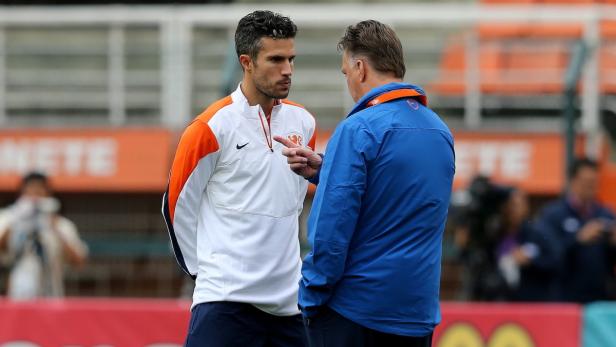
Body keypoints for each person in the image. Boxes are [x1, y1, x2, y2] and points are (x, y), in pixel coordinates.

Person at [276, 20, 454, 347]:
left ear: (359, 68)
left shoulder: (359, 129)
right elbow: (397, 195)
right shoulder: (439, 131)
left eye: (345, 73)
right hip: (417, 313)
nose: (348, 82)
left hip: (355, 313)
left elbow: (332, 227)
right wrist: (329, 171)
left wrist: (311, 295)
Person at [162, 10, 315, 347]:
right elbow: (176, 207)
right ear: (246, 62)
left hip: (289, 308)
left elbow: (294, 204)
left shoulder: (304, 122)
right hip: (224, 303)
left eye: (291, 58)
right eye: (276, 59)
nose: (287, 69)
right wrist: (206, 273)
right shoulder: (209, 127)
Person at [537, 157, 616, 303]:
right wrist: (578, 239)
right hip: (564, 300)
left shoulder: (606, 214)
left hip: (599, 302)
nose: (591, 187)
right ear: (572, 181)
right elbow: (546, 256)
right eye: (586, 182)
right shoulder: (553, 215)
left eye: (594, 182)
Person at [0, 172, 87, 300]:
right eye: (30, 193)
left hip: (51, 295)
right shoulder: (9, 217)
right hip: (16, 296)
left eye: (39, 193)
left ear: (48, 195)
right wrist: (17, 220)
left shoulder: (61, 224)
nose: (34, 199)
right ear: (21, 195)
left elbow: (79, 261)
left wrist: (54, 228)